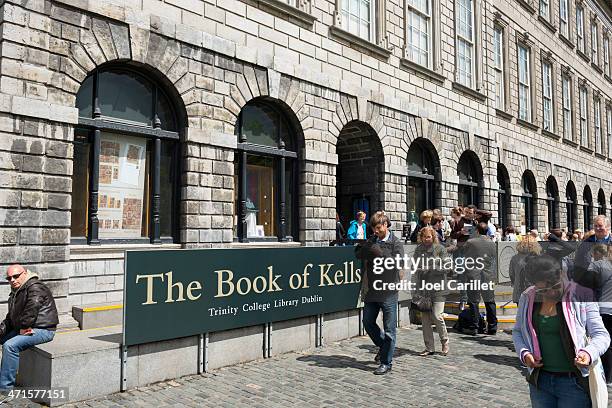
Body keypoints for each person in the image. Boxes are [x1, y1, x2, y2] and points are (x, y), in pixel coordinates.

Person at [512, 255, 610, 407]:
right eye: (543, 289)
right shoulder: (527, 297)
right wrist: (524, 353)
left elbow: (601, 335)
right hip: (540, 382)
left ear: (562, 274)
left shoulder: (581, 295)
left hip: (573, 383)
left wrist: (588, 353)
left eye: (555, 286)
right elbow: (518, 331)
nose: (550, 292)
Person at [355, 211, 404, 375]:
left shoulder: (396, 243)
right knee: (368, 321)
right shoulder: (372, 239)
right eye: (373, 229)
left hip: (389, 290)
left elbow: (397, 264)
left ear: (385, 225)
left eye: (378, 228)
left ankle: (386, 362)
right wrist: (366, 247)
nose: (376, 231)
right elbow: (358, 255)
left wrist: (381, 254)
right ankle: (384, 347)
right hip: (372, 289)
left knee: (389, 328)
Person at [0, 265, 58, 391]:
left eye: (16, 276)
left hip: (43, 329)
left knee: (10, 346)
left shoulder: (35, 287)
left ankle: (4, 390)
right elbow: (10, 319)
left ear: (25, 273)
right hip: (25, 327)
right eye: (9, 278)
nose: (12, 280)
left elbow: (31, 311)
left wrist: (23, 327)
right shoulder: (16, 291)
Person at [413, 227, 450, 356]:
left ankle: (444, 341)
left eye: (428, 237)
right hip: (424, 288)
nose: (426, 239)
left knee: (437, 315)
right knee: (425, 319)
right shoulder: (419, 249)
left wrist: (431, 267)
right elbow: (414, 266)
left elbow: (448, 267)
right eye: (424, 237)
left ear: (433, 237)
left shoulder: (440, 249)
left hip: (439, 287)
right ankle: (429, 347)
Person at [460, 222, 498, 335]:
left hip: (473, 274)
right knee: (490, 301)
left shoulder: (471, 242)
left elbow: (464, 253)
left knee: (473, 301)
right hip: (487, 274)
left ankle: (475, 327)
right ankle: (492, 327)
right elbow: (493, 258)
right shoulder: (492, 243)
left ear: (477, 231)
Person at [509, 235, 542, 304]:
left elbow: (512, 274)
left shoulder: (515, 258)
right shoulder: (538, 258)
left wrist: (515, 283)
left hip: (519, 292)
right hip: (535, 292)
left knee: (521, 313)